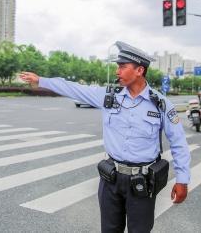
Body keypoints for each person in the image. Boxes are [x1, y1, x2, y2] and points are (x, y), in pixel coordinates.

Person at [20, 41, 191, 233]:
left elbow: (179, 143)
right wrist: (41, 80)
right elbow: (75, 88)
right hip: (111, 180)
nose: (117, 71)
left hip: (142, 182)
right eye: (118, 66)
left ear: (139, 70)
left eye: (122, 67)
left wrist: (182, 180)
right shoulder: (109, 96)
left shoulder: (161, 104)